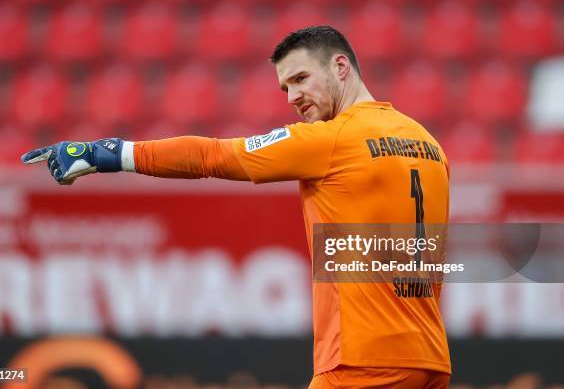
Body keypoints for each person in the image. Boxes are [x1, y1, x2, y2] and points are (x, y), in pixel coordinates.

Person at [22, 26, 451, 388]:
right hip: (430, 357)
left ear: (341, 67)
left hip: (363, 360)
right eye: (286, 87)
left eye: (301, 79)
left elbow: (213, 156)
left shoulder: (334, 138)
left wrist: (103, 154)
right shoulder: (429, 144)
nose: (292, 97)